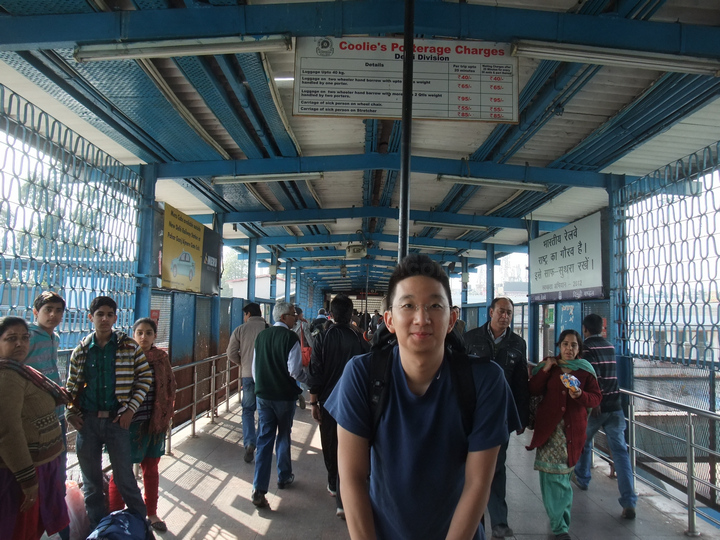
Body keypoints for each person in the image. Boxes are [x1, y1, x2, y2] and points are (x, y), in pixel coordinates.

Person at [325, 253, 520, 540]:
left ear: (452, 319)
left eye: (435, 305)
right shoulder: (362, 375)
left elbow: (478, 483)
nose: (422, 318)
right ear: (389, 320)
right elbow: (352, 477)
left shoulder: (485, 381)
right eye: (408, 305)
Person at [65, 296, 153, 529]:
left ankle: (140, 527)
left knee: (125, 479)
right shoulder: (81, 350)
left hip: (117, 421)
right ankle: (99, 529)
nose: (104, 319)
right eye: (99, 314)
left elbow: (145, 377)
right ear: (90, 317)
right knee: (92, 484)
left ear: (115, 318)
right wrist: (70, 412)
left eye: (109, 315)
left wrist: (130, 409)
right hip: (88, 422)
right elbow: (71, 386)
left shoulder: (129, 346)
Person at [526, 329, 602, 540]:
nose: (569, 348)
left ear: (579, 349)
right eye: (565, 344)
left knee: (562, 476)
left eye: (573, 345)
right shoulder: (550, 366)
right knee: (551, 476)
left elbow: (596, 398)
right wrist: (545, 370)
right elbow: (533, 389)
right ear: (559, 346)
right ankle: (560, 526)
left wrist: (580, 395)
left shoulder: (585, 371)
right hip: (549, 430)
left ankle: (559, 520)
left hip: (572, 432)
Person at [0, 316, 71, 540]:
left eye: (24, 338)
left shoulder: (21, 370)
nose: (20, 343)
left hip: (38, 467)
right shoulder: (7, 376)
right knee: (18, 531)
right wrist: (28, 480)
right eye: (11, 338)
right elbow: (8, 431)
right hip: (19, 474)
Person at [464, 297, 529, 539]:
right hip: (472, 414)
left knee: (496, 467)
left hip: (501, 414)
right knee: (467, 467)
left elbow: (521, 382)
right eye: (501, 311)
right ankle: (472, 520)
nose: (505, 316)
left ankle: (500, 522)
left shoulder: (517, 344)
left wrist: (522, 416)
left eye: (509, 313)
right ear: (490, 312)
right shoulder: (470, 339)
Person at [108, 317, 176, 532]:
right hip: (127, 424)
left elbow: (170, 387)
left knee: (151, 469)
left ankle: (151, 513)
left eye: (148, 333)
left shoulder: (161, 359)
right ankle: (114, 516)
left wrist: (165, 415)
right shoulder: (125, 357)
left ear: (155, 336)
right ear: (133, 335)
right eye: (139, 333)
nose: (143, 337)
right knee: (121, 471)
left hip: (153, 423)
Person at [308, 293, 370, 518]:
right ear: (351, 314)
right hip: (354, 403)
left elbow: (315, 371)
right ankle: (346, 495)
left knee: (330, 444)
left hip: (327, 402)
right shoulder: (360, 339)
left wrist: (313, 402)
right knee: (351, 448)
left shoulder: (323, 338)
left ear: (331, 314)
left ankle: (334, 483)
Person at [573, 314, 638, 519]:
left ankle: (582, 477)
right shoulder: (610, 346)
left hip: (597, 407)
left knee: (583, 441)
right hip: (615, 406)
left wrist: (595, 401)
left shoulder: (586, 349)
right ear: (602, 328)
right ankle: (629, 500)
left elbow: (593, 375)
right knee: (620, 452)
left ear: (585, 329)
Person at [250, 301, 305, 508]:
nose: (295, 317)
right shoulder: (290, 338)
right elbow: (295, 371)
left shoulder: (261, 336)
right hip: (284, 397)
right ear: (283, 317)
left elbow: (255, 369)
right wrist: (306, 382)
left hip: (263, 397)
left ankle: (259, 488)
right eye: (293, 314)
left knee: (264, 439)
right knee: (283, 435)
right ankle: (283, 476)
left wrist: (262, 386)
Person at [26, 292, 69, 540]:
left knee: (57, 471)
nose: (53, 315)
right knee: (38, 474)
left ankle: (54, 526)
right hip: (36, 419)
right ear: (35, 312)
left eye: (58, 310)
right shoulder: (28, 336)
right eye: (47, 310)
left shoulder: (55, 338)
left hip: (56, 415)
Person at [226, 302, 267, 463]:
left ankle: (249, 442)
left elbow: (230, 353)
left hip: (248, 375)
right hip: (265, 377)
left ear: (248, 314)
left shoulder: (240, 330)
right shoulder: (268, 328)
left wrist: (242, 363)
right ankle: (261, 443)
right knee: (264, 411)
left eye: (244, 314)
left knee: (248, 410)